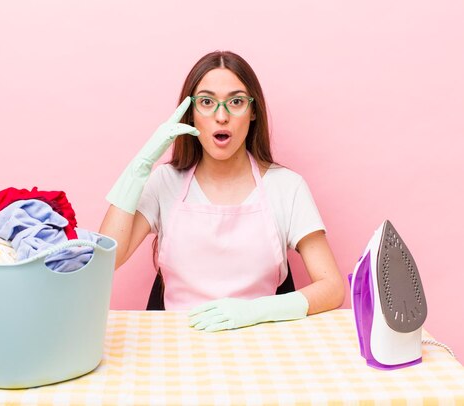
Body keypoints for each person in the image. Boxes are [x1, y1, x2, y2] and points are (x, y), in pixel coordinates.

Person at [100, 50, 345, 332]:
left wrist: (255, 310)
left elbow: (332, 287)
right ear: (191, 113)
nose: (221, 116)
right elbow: (106, 261)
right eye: (206, 102)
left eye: (236, 102)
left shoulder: (287, 187)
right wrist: (141, 165)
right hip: (176, 344)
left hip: (262, 340)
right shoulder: (164, 182)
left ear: (253, 111)